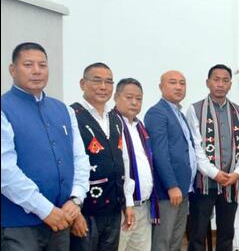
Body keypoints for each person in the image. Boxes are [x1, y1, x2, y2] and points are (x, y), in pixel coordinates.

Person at [1, 42, 90, 251]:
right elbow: (5, 170)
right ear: (12, 70)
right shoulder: (4, 108)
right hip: (19, 224)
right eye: (28, 65)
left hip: (62, 219)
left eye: (42, 65)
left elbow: (79, 158)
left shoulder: (63, 110)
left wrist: (76, 199)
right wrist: (45, 209)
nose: (37, 71)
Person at [186, 64, 239, 251]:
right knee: (197, 232)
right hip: (204, 182)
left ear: (230, 84)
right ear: (208, 82)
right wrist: (214, 173)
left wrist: (237, 173)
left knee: (226, 233)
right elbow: (195, 147)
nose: (220, 84)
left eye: (225, 80)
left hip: (231, 182)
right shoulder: (194, 109)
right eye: (216, 79)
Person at [69, 63, 127, 251]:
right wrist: (75, 212)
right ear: (82, 84)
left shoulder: (115, 119)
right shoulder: (71, 115)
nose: (103, 86)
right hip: (85, 211)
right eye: (97, 80)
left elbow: (121, 162)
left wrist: (127, 203)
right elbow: (68, 166)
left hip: (113, 209)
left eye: (109, 82)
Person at [145, 70, 197, 251]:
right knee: (162, 241)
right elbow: (159, 153)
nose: (179, 87)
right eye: (173, 82)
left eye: (182, 83)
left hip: (183, 188)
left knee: (176, 240)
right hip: (168, 191)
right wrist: (171, 185)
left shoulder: (178, 113)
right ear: (161, 87)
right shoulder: (157, 113)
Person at [114, 78, 160, 251]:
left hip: (144, 205)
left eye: (139, 98)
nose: (134, 102)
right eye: (129, 97)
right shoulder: (112, 124)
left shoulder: (139, 126)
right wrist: (128, 204)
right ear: (116, 97)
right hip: (122, 208)